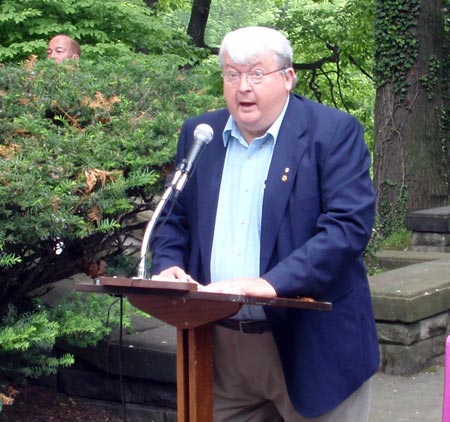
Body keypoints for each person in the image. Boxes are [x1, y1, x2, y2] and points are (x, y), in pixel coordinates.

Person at [150, 26, 379, 421]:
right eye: (232, 74)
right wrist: (167, 264)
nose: (243, 87)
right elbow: (175, 217)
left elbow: (347, 230)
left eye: (256, 74)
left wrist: (270, 283)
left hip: (312, 347)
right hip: (216, 346)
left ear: (288, 78)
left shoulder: (333, 133)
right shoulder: (201, 135)